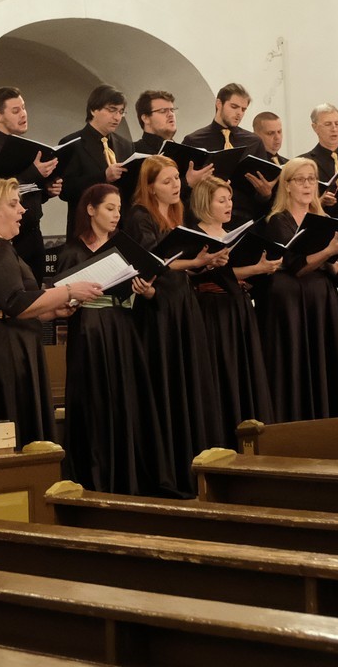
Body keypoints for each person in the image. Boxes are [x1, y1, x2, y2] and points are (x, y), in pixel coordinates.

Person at [0, 179, 98, 448]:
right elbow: (15, 303)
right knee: (13, 435)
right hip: (3, 352)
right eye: (13, 204)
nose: (22, 210)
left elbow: (4, 305)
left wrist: (50, 310)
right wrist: (68, 291)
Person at [56, 184, 172, 495]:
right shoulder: (72, 251)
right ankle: (95, 474)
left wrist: (148, 292)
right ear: (90, 210)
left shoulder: (125, 249)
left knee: (127, 398)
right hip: (90, 332)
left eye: (119, 209)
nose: (116, 214)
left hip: (124, 328)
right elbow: (61, 299)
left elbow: (150, 293)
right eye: (110, 208)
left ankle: (131, 474)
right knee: (94, 400)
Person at [123, 156, 227, 492]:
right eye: (166, 181)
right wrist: (196, 261)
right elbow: (152, 262)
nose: (175, 185)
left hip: (182, 302)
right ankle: (170, 468)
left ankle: (197, 459)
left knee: (190, 380)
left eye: (176, 179)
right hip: (158, 309)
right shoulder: (140, 215)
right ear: (150, 187)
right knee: (168, 383)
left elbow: (181, 264)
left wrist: (205, 263)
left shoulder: (179, 214)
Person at [261, 157, 338, 422]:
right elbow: (296, 266)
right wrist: (328, 252)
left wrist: (334, 259)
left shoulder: (326, 220)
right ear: (287, 185)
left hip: (322, 301)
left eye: (312, 179)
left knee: (325, 362)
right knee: (296, 363)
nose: (307, 185)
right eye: (300, 179)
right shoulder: (278, 221)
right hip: (292, 303)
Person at [187, 175, 276, 437]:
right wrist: (256, 269)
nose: (229, 205)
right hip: (214, 310)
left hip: (239, 307)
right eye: (222, 200)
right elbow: (215, 275)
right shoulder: (195, 236)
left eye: (230, 199)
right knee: (222, 369)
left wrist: (260, 270)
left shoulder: (235, 233)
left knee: (245, 370)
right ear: (205, 203)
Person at [0, 86, 62, 278]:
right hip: (7, 238)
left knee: (37, 287)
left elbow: (27, 191)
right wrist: (33, 173)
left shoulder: (25, 145)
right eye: (16, 111)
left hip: (33, 232)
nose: (23, 114)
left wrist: (47, 191)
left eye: (24, 108)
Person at [57, 85, 132, 218]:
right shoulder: (72, 143)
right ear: (93, 110)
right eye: (112, 110)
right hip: (86, 221)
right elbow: (66, 190)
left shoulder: (125, 145)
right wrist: (103, 177)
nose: (117, 117)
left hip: (120, 222)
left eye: (121, 112)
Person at [297, 104, 338, 212]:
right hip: (324, 219)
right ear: (315, 127)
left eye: (337, 123)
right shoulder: (304, 163)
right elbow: (297, 206)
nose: (334, 128)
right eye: (328, 124)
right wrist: (320, 202)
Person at [181, 83, 257, 154]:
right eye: (234, 107)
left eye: (243, 109)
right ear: (219, 104)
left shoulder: (254, 143)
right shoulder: (193, 141)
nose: (239, 113)